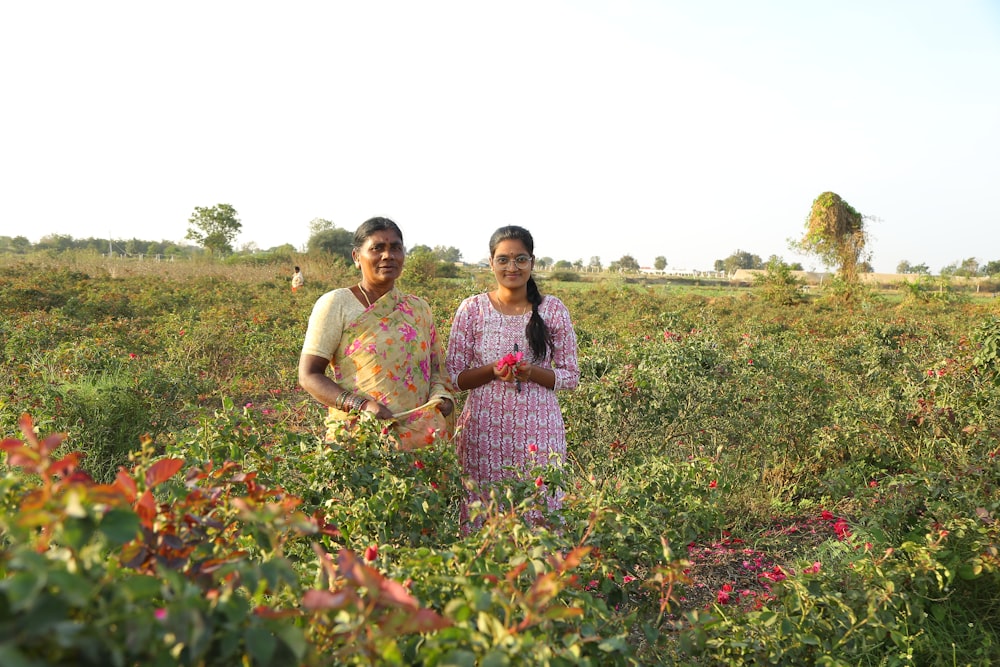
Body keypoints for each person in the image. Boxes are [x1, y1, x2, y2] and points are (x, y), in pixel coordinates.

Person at [446, 225, 579, 528]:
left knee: (540, 512)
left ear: (533, 262)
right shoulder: (472, 310)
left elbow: (570, 377)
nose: (512, 267)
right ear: (491, 262)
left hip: (539, 431)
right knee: (485, 515)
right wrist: (491, 371)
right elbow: (453, 378)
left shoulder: (552, 310)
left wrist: (532, 372)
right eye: (503, 259)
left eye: (520, 259)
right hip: (482, 432)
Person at [298, 217, 454, 448]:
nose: (387, 256)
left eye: (395, 248)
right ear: (356, 257)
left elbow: (437, 371)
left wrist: (442, 398)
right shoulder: (336, 304)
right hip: (360, 437)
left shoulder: (419, 308)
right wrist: (361, 405)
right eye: (377, 248)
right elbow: (309, 375)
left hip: (420, 438)